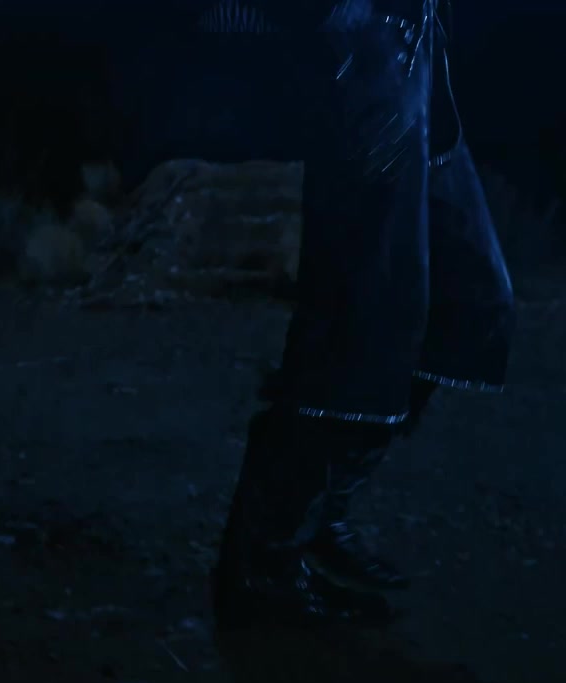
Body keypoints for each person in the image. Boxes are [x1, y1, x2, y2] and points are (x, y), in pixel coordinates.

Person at [107, 0, 515, 627]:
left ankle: (318, 517)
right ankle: (266, 559)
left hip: (413, 50)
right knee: (360, 321)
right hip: (354, 58)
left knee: (473, 300)